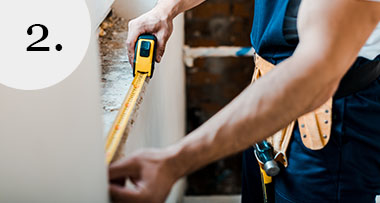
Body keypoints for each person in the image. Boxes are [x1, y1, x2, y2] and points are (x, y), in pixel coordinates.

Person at [109, 0, 380, 202]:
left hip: (329, 135)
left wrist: (174, 162)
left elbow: (312, 74)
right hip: (268, 111)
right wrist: (165, 10)